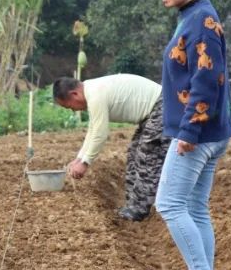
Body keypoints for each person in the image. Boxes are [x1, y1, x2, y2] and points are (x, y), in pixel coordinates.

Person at [150, 0, 231, 270]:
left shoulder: (201, 21)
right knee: (195, 207)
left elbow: (206, 79)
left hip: (198, 132)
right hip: (211, 131)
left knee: (168, 203)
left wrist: (188, 131)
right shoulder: (194, 16)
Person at [52, 74, 170, 221]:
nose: (74, 111)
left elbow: (100, 134)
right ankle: (133, 204)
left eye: (70, 106)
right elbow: (93, 129)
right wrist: (79, 158)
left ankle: (140, 209)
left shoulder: (95, 95)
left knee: (146, 157)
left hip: (163, 106)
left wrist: (85, 162)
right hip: (154, 111)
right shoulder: (91, 90)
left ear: (74, 94)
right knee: (134, 154)